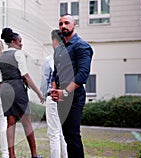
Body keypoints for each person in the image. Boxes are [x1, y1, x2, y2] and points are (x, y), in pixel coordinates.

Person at [0, 28, 44, 158]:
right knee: (26, 121)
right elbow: (26, 76)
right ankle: (34, 154)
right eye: (19, 41)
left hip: (5, 89)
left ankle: (12, 155)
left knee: (10, 122)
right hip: (17, 87)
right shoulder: (18, 54)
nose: (21, 44)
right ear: (12, 41)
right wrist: (39, 93)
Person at [51, 13, 94, 158]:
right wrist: (54, 90)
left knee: (73, 134)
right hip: (61, 96)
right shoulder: (59, 49)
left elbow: (83, 74)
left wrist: (65, 92)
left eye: (66, 23)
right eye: (61, 24)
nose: (63, 26)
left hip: (74, 96)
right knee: (67, 135)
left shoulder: (82, 46)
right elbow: (55, 72)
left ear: (74, 25)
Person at [40, 29, 68, 158]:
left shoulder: (49, 60)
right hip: (67, 97)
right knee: (63, 132)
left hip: (53, 96)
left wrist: (43, 96)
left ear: (54, 41)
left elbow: (45, 81)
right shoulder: (70, 58)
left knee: (54, 133)